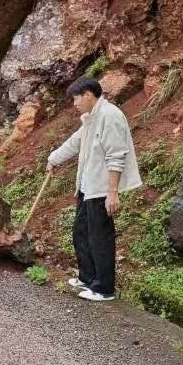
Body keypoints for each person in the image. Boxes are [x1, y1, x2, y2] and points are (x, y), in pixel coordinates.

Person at [46, 77, 141, 302]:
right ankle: (87, 278)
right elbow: (74, 142)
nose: (74, 104)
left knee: (100, 238)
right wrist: (52, 159)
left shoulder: (110, 116)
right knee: (81, 232)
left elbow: (117, 155)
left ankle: (104, 289)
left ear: (88, 95)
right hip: (87, 188)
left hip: (102, 189)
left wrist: (113, 192)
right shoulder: (91, 119)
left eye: (76, 98)